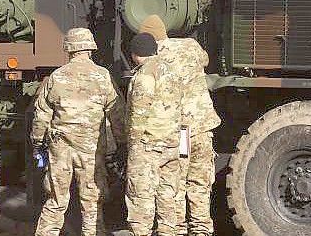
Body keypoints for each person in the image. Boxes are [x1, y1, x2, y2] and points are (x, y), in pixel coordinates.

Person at [31, 28, 126, 236]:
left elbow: (41, 116)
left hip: (60, 150)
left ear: (68, 49)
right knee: (92, 202)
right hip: (91, 152)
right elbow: (117, 113)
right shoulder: (103, 77)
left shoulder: (56, 77)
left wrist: (38, 144)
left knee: (56, 201)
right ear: (91, 48)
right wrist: (122, 143)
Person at [139, 15, 220, 236]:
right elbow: (205, 60)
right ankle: (202, 229)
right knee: (201, 183)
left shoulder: (154, 58)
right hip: (203, 128)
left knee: (177, 182)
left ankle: (177, 229)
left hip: (181, 131)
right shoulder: (191, 46)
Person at [125, 32, 185, 236]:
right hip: (172, 143)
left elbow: (138, 113)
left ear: (135, 54)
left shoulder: (144, 75)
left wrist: (133, 145)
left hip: (147, 144)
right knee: (168, 194)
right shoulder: (171, 70)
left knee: (141, 197)